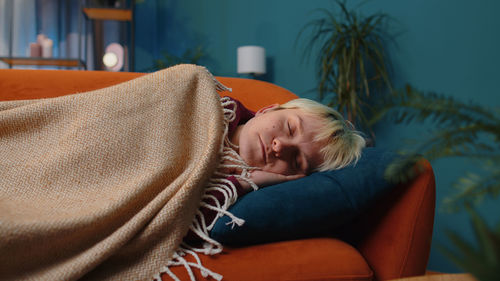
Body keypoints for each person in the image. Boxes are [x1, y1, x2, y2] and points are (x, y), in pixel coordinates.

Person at [185, 96, 366, 242]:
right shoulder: (210, 104)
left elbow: (180, 223)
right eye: (290, 128)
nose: (280, 146)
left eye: (296, 160)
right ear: (267, 110)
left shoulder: (234, 193)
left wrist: (243, 183)